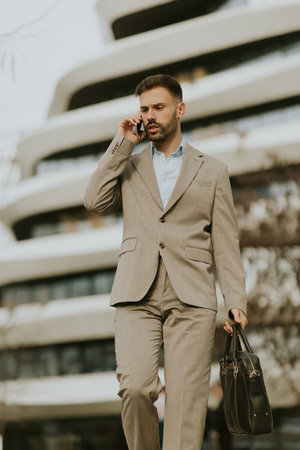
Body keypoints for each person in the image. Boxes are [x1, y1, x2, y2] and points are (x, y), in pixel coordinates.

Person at [84, 74, 248, 450]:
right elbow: (94, 201)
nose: (150, 115)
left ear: (180, 109)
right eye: (144, 108)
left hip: (191, 296)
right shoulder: (129, 163)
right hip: (135, 292)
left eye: (158, 107)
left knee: (186, 401)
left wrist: (236, 300)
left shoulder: (213, 170)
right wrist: (122, 142)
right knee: (136, 387)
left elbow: (226, 243)